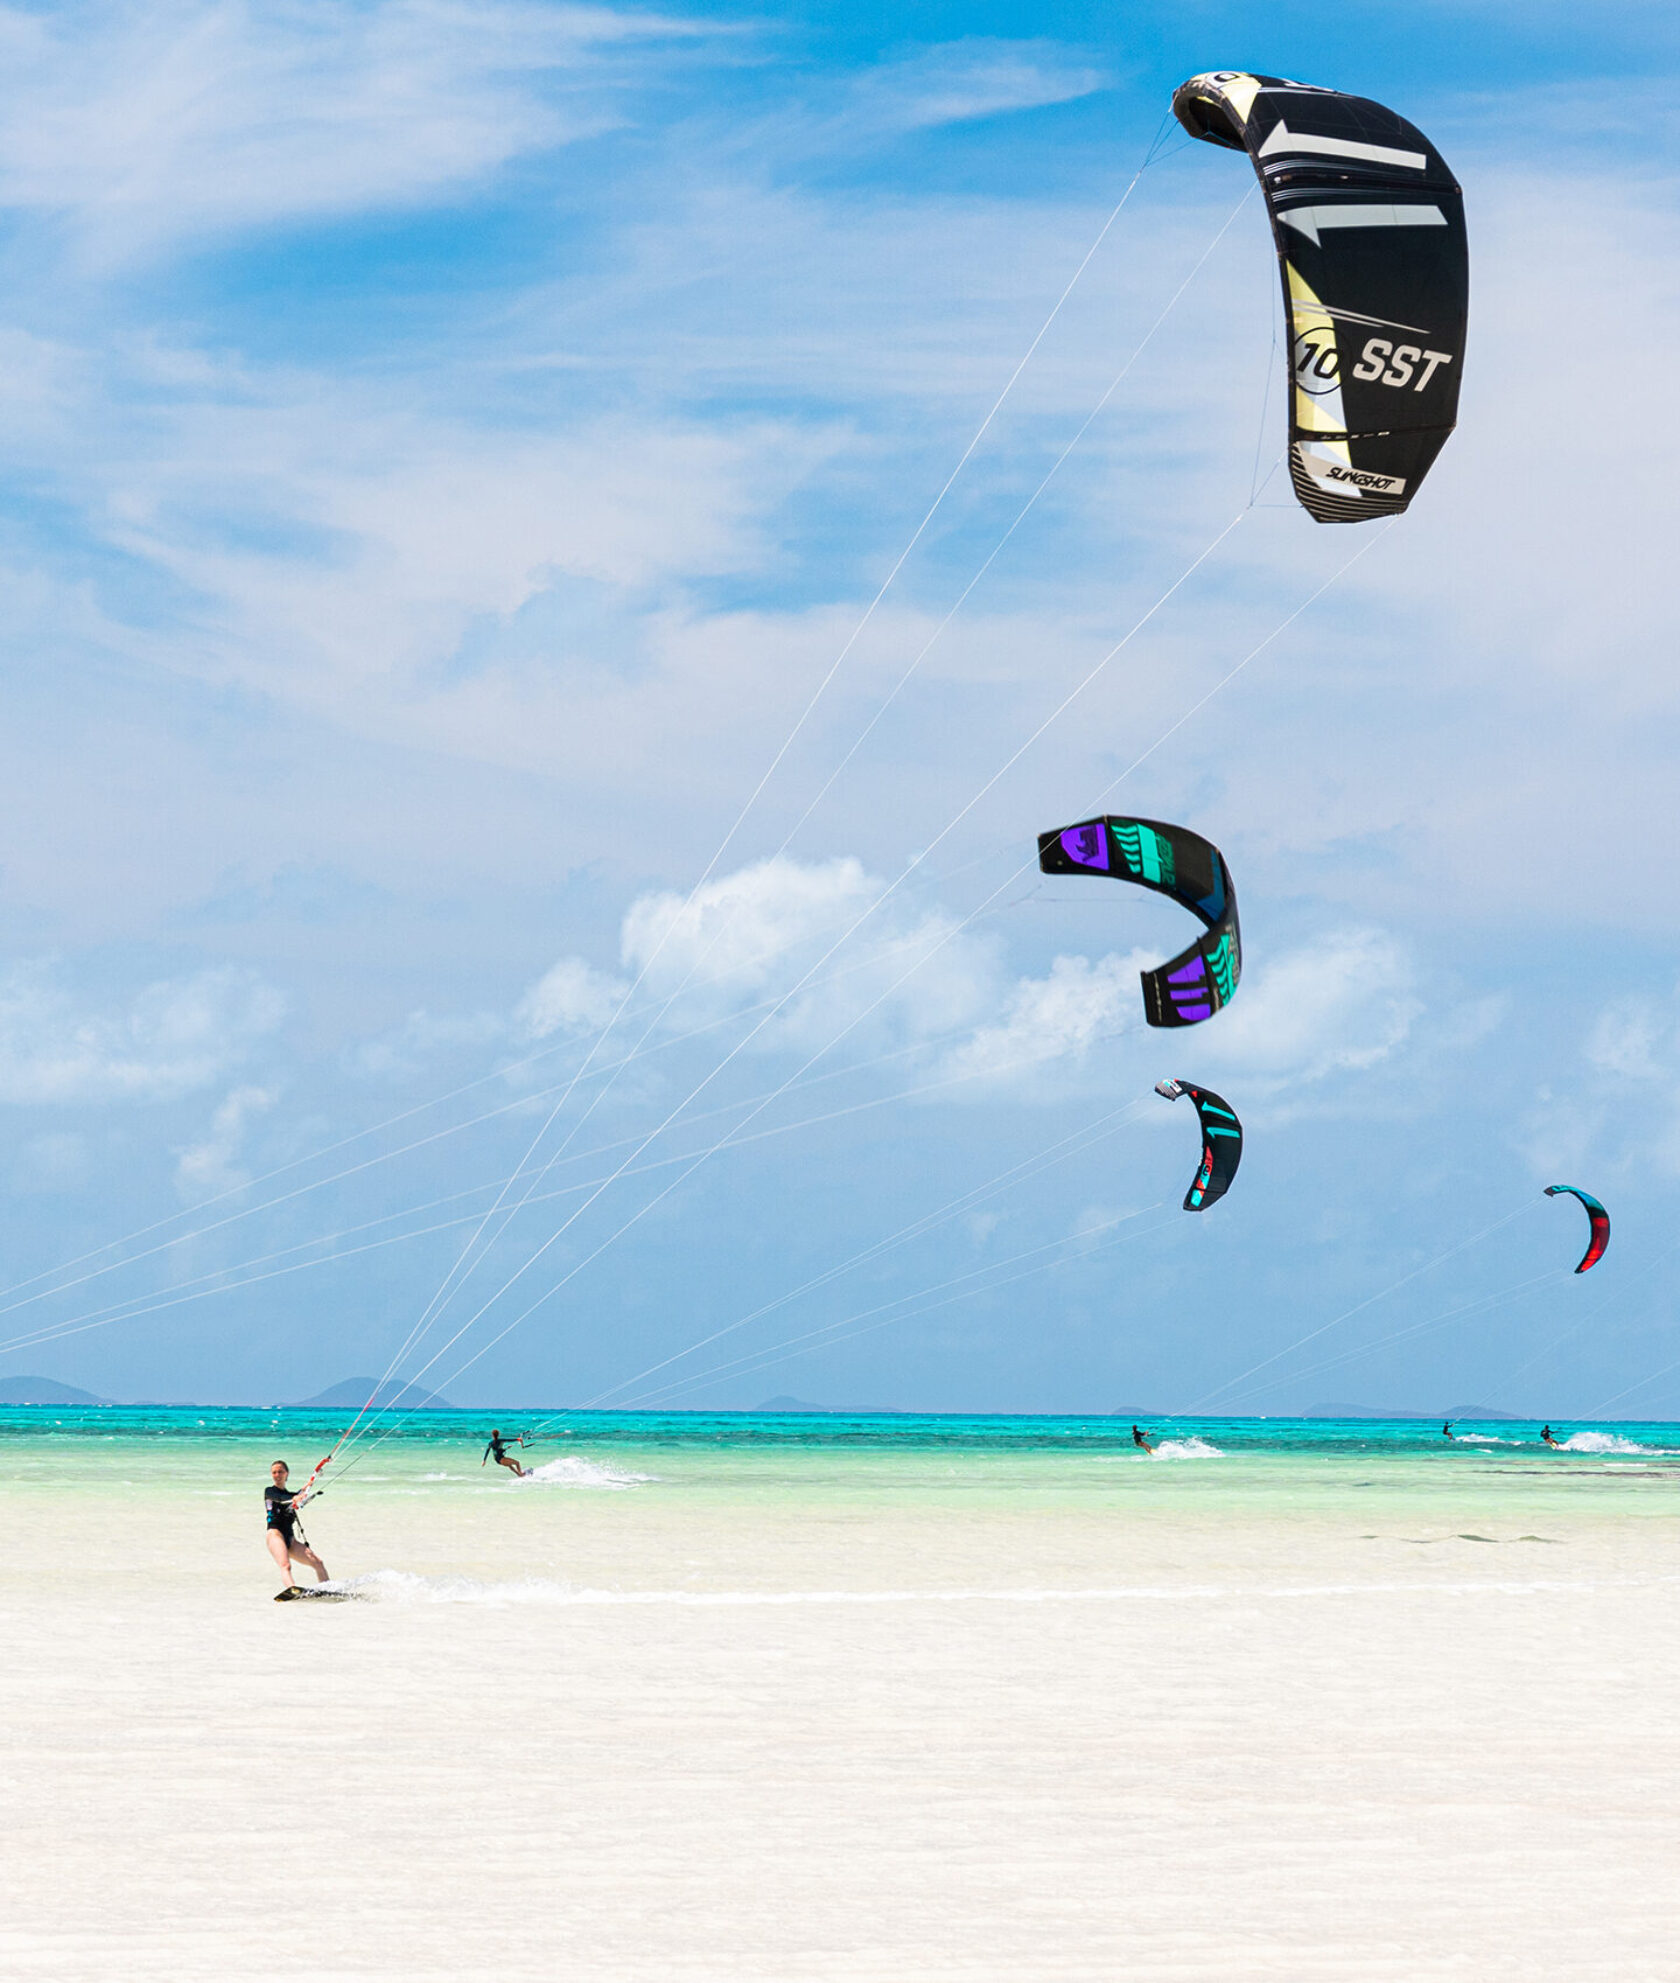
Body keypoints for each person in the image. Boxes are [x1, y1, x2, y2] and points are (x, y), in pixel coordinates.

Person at [265, 1460, 329, 1589]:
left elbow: (296, 1495)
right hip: (275, 1535)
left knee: (318, 1563)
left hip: (290, 1539)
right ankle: (291, 1590)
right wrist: (295, 1498)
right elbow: (281, 1498)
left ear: (286, 1474)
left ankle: (328, 1589)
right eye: (274, 1472)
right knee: (285, 1565)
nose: (277, 1475)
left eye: (280, 1472)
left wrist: (307, 1487)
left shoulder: (292, 1495)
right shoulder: (270, 1492)